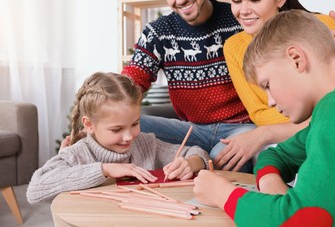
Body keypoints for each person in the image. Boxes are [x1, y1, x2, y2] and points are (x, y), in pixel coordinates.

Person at [121, 0, 335, 172]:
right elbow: (133, 78)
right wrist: (101, 106)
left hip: (243, 128)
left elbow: (330, 102)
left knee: (224, 158)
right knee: (124, 127)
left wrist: (334, 38)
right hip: (193, 129)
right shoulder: (163, 32)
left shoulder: (243, 23)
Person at [193, 10, 335, 226]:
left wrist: (222, 194)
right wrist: (271, 184)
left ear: (296, 59)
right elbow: (275, 156)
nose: (270, 102)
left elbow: (305, 221)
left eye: (268, 84)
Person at [214, 0, 335, 171]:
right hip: (304, 127)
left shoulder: (321, 27)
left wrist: (267, 132)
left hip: (327, 123)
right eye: (236, 1)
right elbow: (259, 115)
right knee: (225, 155)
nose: (243, 10)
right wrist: (301, 118)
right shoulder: (234, 47)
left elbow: (329, 106)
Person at [26, 72, 209, 205]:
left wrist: (190, 163)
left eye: (135, 123)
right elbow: (35, 190)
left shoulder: (145, 144)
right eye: (117, 129)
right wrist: (105, 169)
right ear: (89, 125)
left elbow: (196, 152)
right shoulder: (76, 154)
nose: (129, 136)